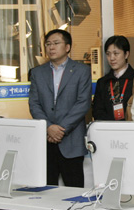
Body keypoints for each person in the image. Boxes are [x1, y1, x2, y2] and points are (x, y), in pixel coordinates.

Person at [29, 29, 91, 187]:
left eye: (56, 43)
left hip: (71, 141)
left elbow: (83, 103)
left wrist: (61, 129)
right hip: (46, 141)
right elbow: (34, 104)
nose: (51, 47)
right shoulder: (37, 73)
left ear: (67, 47)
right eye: (48, 44)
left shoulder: (82, 71)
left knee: (74, 191)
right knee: (46, 191)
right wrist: (49, 127)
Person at [92, 35, 134, 121]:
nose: (111, 58)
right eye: (108, 54)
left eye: (116, 53)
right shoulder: (102, 82)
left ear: (126, 54)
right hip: (108, 127)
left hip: (132, 127)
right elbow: (97, 111)